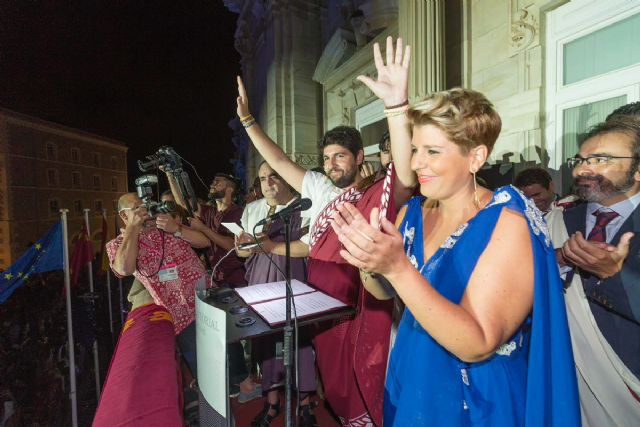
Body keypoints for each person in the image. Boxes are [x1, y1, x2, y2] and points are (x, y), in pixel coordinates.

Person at [333, 38, 580, 426]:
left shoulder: (508, 221)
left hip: (478, 399)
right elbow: (384, 292)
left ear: (476, 157)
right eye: (415, 150)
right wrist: (371, 261)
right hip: (415, 376)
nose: (417, 163)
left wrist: (398, 268)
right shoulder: (414, 211)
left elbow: (479, 343)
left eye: (433, 152)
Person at [235, 54, 415, 423]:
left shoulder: (377, 191)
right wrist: (248, 122)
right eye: (327, 157)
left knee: (366, 374)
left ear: (359, 157)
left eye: (340, 157)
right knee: (331, 377)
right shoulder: (318, 186)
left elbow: (406, 173)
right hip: (319, 297)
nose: (332, 163)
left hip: (361, 298)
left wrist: (396, 107)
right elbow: (281, 162)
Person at [99, 193, 211, 426]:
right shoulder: (119, 244)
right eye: (137, 208)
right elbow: (123, 268)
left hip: (208, 302)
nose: (145, 212)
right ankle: (215, 417)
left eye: (145, 206)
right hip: (182, 318)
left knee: (221, 367)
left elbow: (204, 242)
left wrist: (176, 228)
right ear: (124, 215)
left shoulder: (166, 226)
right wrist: (133, 229)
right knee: (206, 375)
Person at [559, 117, 640, 426]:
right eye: (580, 160)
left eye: (600, 160)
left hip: (628, 387)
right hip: (565, 381)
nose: (582, 169)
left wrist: (613, 277)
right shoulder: (554, 221)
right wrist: (555, 260)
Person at [235, 161, 316, 426]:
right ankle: (272, 403)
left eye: (274, 177)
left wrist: (269, 245)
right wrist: (244, 246)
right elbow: (241, 253)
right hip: (259, 280)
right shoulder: (252, 209)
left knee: (299, 340)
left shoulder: (305, 205)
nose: (267, 184)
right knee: (267, 341)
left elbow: (309, 247)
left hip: (294, 279)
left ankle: (304, 405)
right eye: (261, 178)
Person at [166, 171, 246, 286]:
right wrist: (169, 175)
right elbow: (183, 203)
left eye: (217, 182)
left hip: (234, 278)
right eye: (213, 182)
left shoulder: (239, 213)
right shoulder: (209, 211)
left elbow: (232, 245)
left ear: (230, 189)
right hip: (214, 277)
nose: (212, 185)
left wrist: (203, 228)